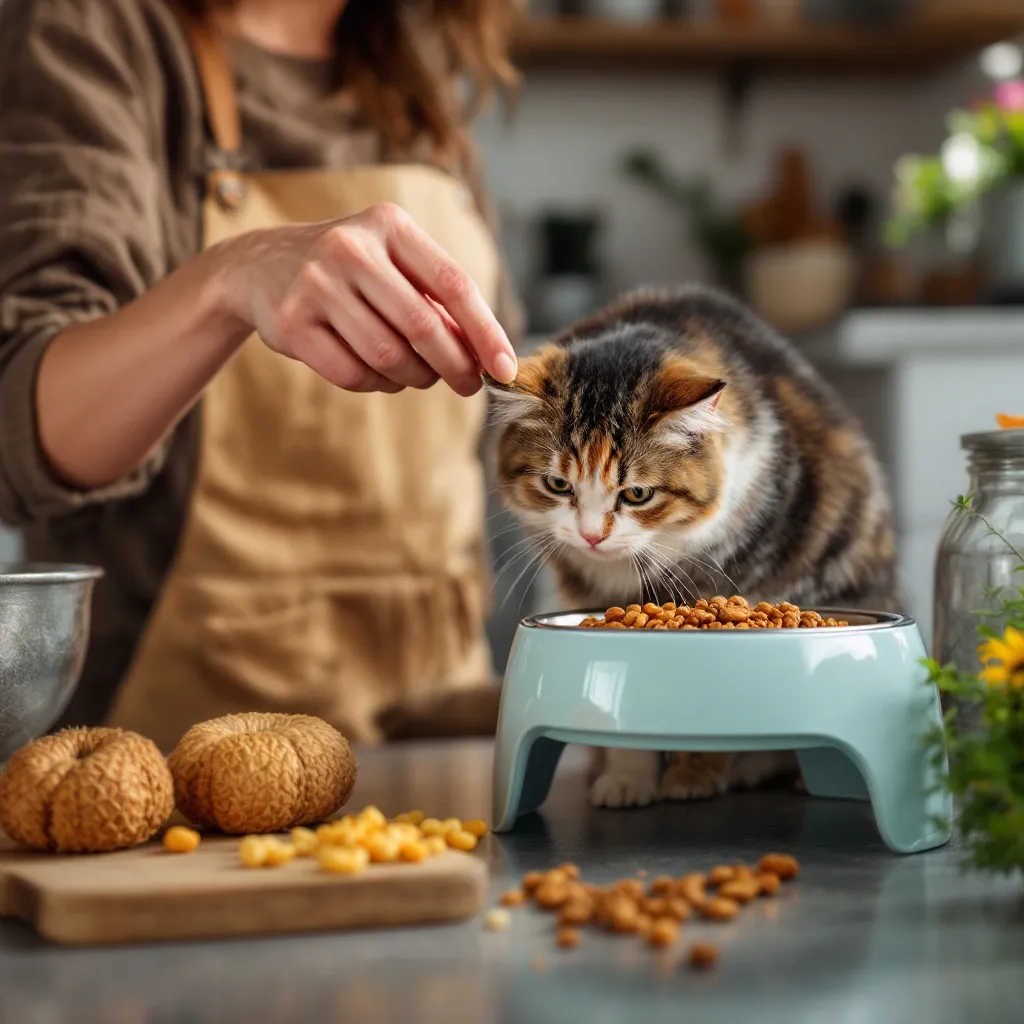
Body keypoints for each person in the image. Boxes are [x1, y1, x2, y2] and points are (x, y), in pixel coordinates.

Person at [0, 0, 525, 750]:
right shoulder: (92, 26)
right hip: (176, 767)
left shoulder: (411, 57)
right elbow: (27, 428)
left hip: (438, 748)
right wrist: (230, 279)